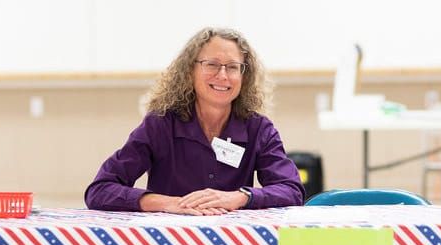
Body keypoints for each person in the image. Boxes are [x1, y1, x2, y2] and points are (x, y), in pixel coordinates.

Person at [85, 27, 304, 214]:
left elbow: (291, 190)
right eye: (212, 64)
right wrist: (168, 203)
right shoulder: (160, 125)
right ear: (190, 70)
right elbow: (100, 190)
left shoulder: (259, 129)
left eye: (233, 67)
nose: (223, 75)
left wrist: (239, 197)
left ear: (243, 77)